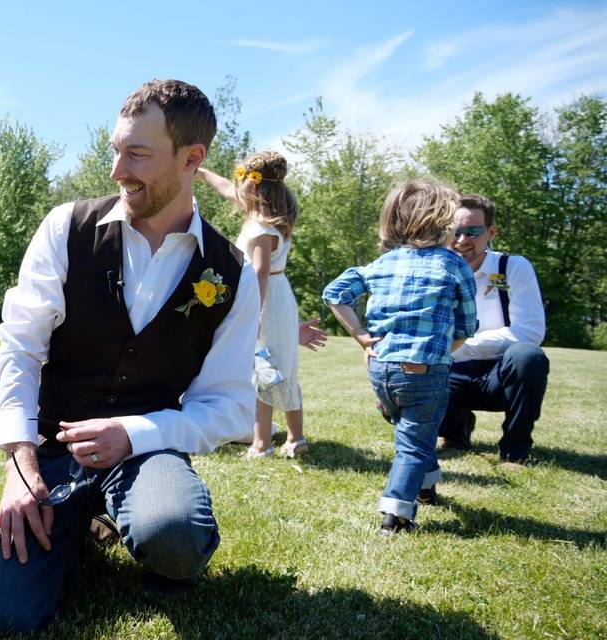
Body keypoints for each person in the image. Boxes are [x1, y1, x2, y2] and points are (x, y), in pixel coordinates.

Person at [0, 79, 260, 632]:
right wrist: (20, 463)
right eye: (115, 150)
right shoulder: (66, 228)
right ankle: (79, 530)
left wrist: (134, 434)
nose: (117, 170)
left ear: (192, 158)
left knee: (174, 535)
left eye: (137, 154)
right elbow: (21, 347)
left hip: (147, 453)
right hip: (53, 450)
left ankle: (159, 541)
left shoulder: (232, 273)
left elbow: (228, 407)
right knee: (2, 617)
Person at [323, 179, 478, 534]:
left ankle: (426, 484)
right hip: (425, 370)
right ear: (443, 221)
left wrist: (362, 337)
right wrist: (442, 353)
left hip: (381, 372)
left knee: (411, 428)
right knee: (414, 438)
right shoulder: (454, 265)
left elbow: (334, 293)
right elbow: (466, 327)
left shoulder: (383, 263)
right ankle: (396, 516)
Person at [198, 152, 326, 459]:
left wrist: (251, 314)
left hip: (265, 299)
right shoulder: (267, 218)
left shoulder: (260, 229)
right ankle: (295, 439)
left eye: (240, 181)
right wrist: (200, 173)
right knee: (279, 368)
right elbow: (227, 189)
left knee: (262, 369)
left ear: (254, 188)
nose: (234, 187)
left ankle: (262, 443)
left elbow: (259, 272)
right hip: (278, 296)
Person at [439, 194, 548, 463]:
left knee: (528, 357)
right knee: (398, 388)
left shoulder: (513, 267)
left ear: (491, 232)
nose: (462, 240)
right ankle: (455, 429)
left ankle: (515, 447)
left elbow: (530, 332)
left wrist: (462, 345)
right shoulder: (435, 272)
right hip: (451, 371)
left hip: (500, 375)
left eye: (472, 231)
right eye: (456, 231)